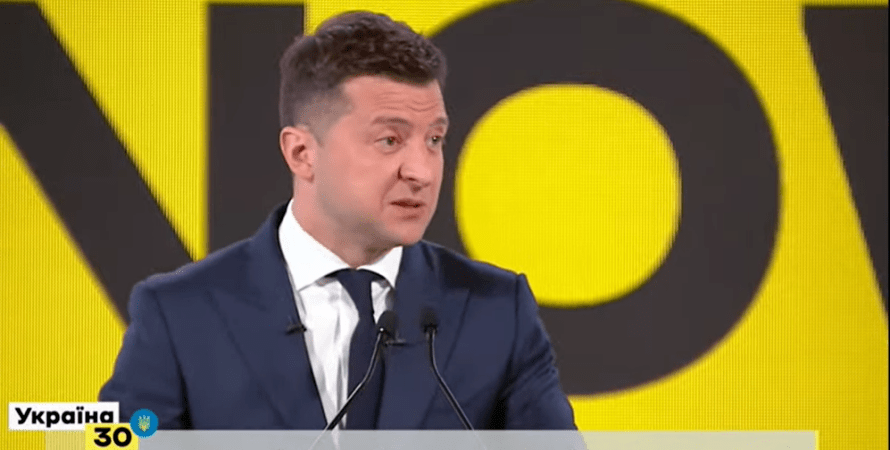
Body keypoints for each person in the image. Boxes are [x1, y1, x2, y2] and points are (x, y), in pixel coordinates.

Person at [99, 11, 576, 430]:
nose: (423, 171)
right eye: (390, 140)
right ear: (302, 153)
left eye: (434, 140)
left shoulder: (496, 311)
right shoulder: (180, 315)